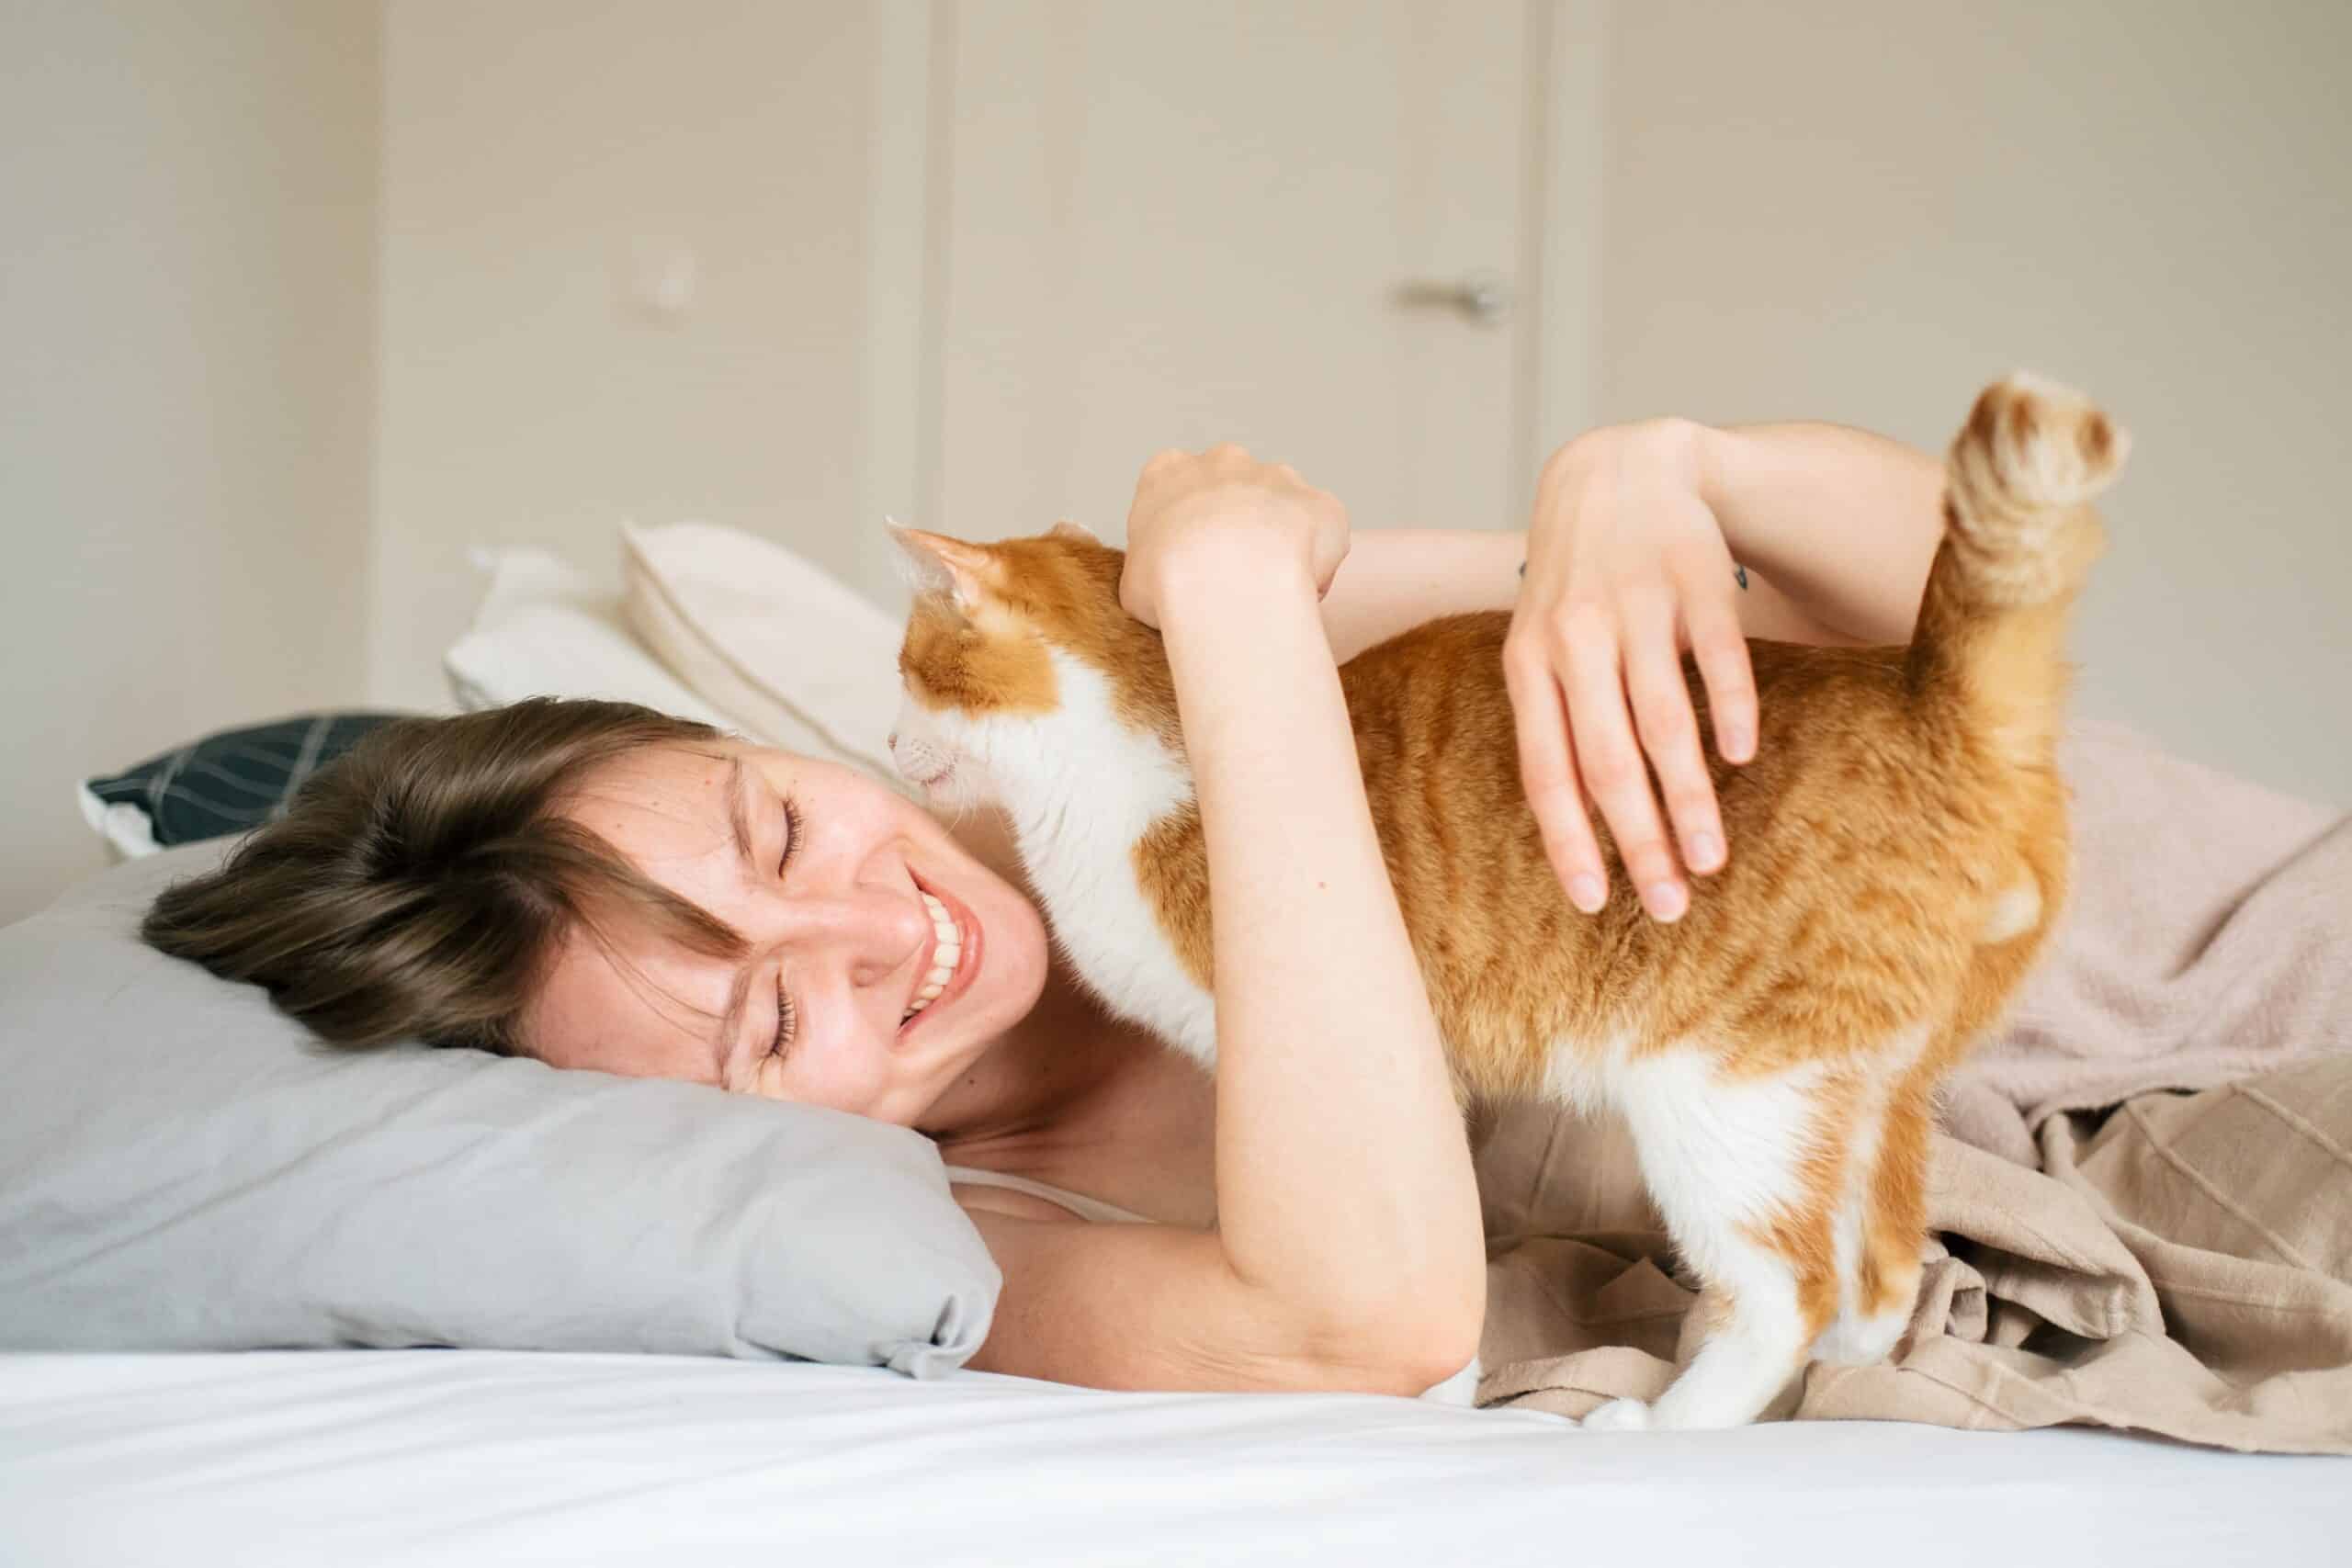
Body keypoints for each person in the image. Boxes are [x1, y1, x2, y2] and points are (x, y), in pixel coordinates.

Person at [143, 416, 1946, 1396]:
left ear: (763, 740)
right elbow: (1375, 1321)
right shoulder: (982, 1242)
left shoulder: (1092, 702)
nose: (874, 936)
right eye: (774, 1021)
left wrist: (1649, 472)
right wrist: (1240, 614)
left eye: (778, 831)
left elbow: (1937, 613)